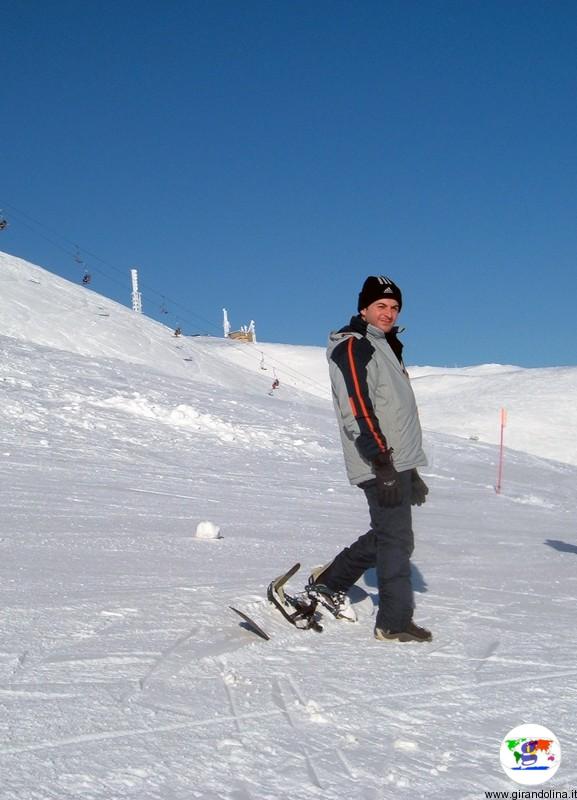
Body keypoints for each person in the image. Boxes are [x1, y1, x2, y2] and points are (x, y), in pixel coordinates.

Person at [306, 275, 432, 643]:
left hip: (397, 462)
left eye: (394, 308)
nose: (388, 313)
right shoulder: (354, 347)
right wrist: (382, 463)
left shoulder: (388, 346)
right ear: (364, 308)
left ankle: (329, 581)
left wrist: (411, 472)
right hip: (378, 460)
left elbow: (395, 411)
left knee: (390, 535)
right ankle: (393, 622)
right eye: (381, 306)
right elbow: (357, 409)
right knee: (396, 540)